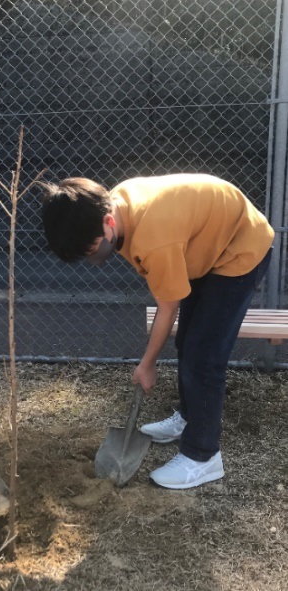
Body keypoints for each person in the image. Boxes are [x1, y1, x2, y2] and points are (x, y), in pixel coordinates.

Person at [40, 174, 274, 489]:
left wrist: (147, 364)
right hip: (204, 244)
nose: (93, 259)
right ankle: (189, 417)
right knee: (188, 342)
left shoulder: (154, 237)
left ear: (109, 222)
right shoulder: (116, 203)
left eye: (92, 250)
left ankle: (203, 456)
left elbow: (168, 307)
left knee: (204, 353)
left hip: (239, 248)